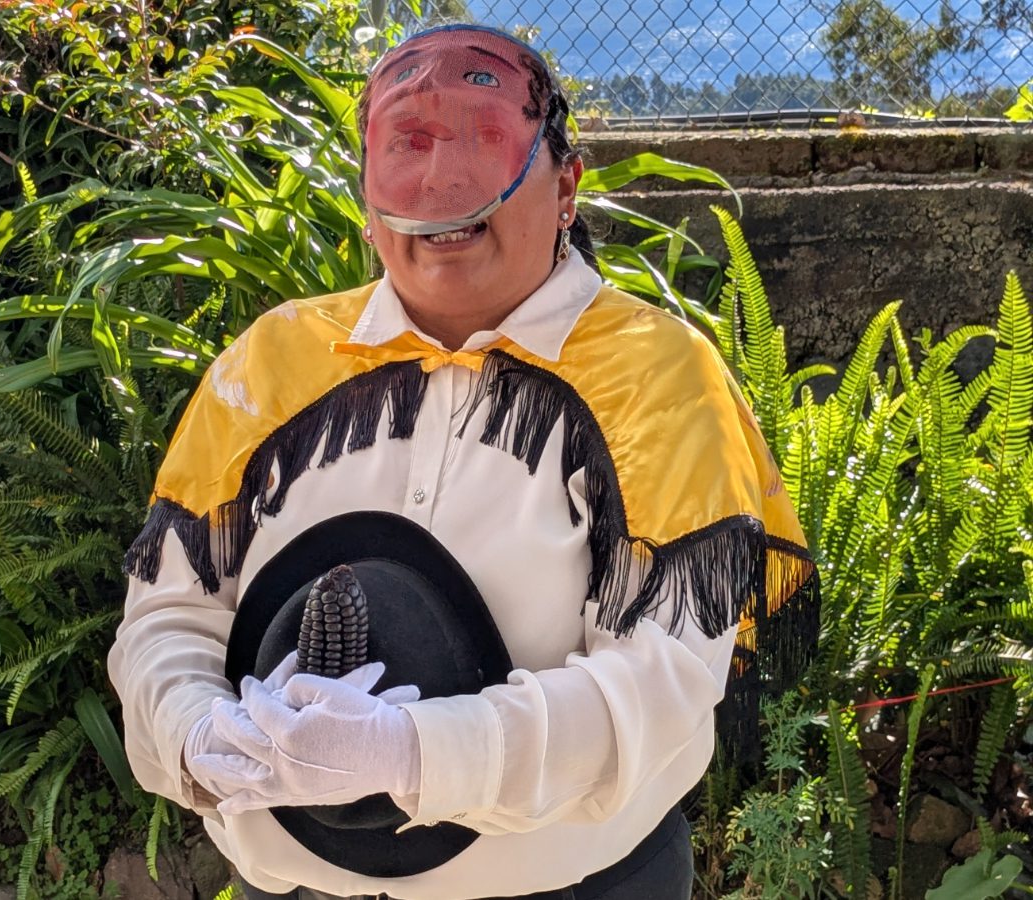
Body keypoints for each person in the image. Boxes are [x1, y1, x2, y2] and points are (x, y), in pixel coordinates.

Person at [109, 24, 818, 900]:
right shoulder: (272, 362)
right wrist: (194, 732)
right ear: (369, 200)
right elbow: (170, 614)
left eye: (484, 140)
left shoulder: (657, 377)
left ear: (566, 187)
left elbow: (662, 681)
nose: (443, 182)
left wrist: (417, 754)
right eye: (409, 145)